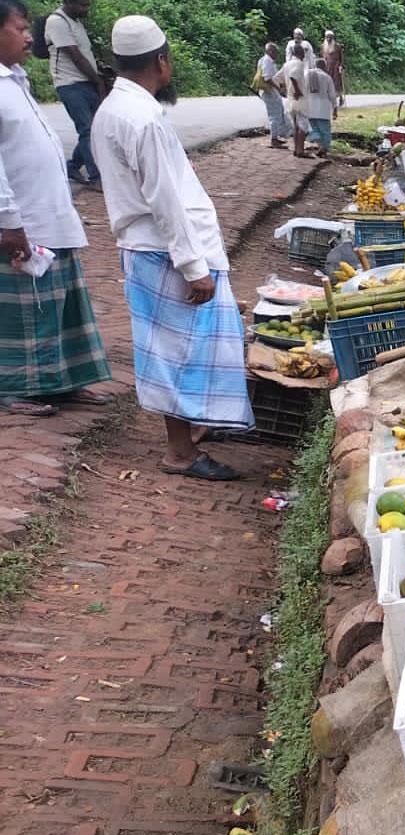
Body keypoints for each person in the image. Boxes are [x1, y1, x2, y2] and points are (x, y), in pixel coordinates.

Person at [91, 15, 251, 480]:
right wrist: (191, 265)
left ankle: (194, 430)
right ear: (161, 62)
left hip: (152, 250)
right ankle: (180, 452)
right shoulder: (141, 119)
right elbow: (165, 202)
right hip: (166, 254)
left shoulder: (113, 110)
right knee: (178, 352)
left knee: (185, 348)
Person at [0, 0, 111, 416]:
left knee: (61, 304)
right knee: (24, 311)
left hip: (50, 216)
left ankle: (62, 382)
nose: (30, 36)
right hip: (21, 220)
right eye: (20, 28)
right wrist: (9, 222)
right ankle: (14, 387)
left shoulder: (16, 80)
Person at [44, 0, 106, 187]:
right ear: (68, 2)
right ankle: (96, 178)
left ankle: (72, 166)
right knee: (87, 129)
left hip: (86, 82)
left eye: (87, 5)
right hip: (69, 84)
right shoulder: (57, 21)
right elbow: (76, 57)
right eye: (82, 5)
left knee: (95, 129)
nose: (85, 9)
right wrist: (98, 82)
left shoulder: (76, 22)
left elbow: (85, 54)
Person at [275, 43, 310, 158]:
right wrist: (297, 90)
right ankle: (300, 150)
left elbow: (276, 78)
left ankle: (296, 149)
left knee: (295, 125)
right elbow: (293, 77)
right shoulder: (299, 64)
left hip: (289, 99)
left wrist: (283, 90)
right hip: (299, 99)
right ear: (301, 53)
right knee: (303, 126)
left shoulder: (286, 64)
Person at [254, 42, 288, 149]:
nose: (276, 54)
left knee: (277, 112)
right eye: (275, 52)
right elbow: (267, 78)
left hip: (268, 91)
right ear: (269, 51)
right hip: (269, 91)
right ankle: (274, 139)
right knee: (274, 115)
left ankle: (276, 137)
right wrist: (279, 89)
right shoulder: (267, 61)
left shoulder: (263, 60)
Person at [303, 58, 337, 158]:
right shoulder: (327, 77)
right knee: (325, 130)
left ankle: (320, 146)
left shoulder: (306, 75)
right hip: (323, 109)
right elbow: (332, 95)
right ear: (325, 67)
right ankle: (324, 148)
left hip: (309, 107)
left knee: (313, 129)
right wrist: (335, 108)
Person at [321, 29, 344, 108]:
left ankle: (340, 97)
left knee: (337, 83)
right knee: (328, 83)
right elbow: (322, 58)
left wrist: (341, 66)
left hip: (336, 67)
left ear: (332, 37)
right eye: (327, 37)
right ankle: (329, 99)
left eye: (330, 37)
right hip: (327, 67)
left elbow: (341, 58)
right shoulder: (323, 46)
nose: (328, 39)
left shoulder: (337, 46)